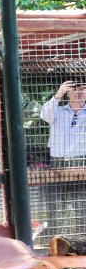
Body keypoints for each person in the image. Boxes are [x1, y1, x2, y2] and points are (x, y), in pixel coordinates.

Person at [40, 80, 86, 237]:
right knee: (56, 208)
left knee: (82, 208)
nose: (78, 92)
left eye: (83, 89)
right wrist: (58, 94)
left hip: (81, 163)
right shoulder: (57, 111)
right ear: (68, 91)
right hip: (58, 164)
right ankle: (55, 241)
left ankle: (82, 243)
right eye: (74, 89)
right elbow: (44, 115)